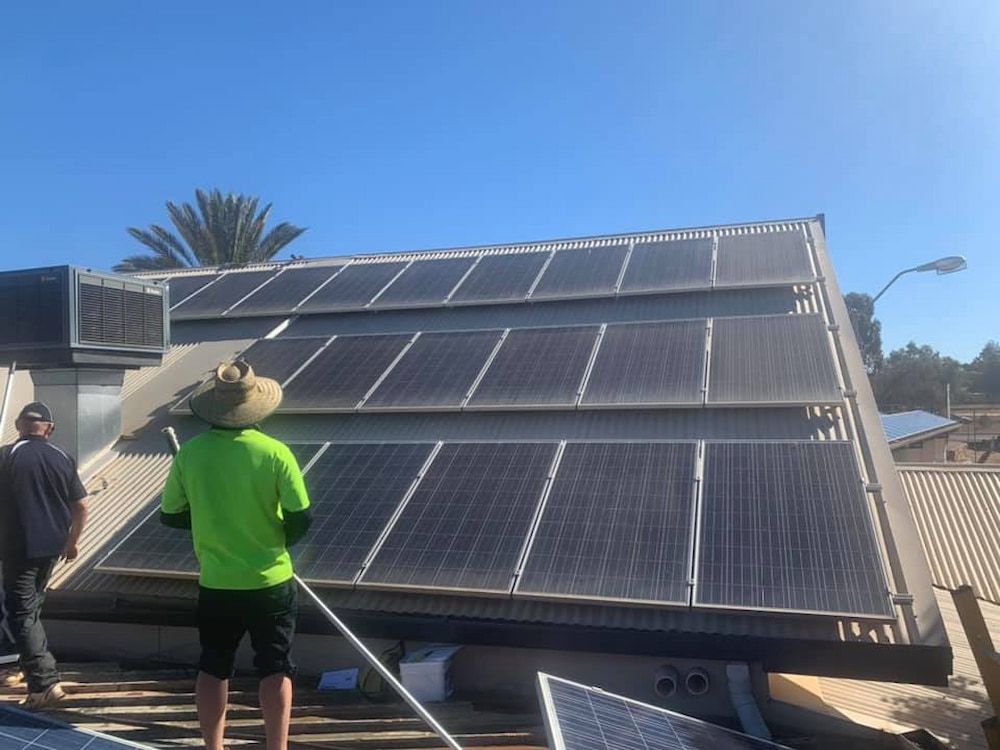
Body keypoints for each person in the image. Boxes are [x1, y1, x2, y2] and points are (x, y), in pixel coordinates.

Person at [160, 361, 312, 750]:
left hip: (217, 582)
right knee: (275, 668)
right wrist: (275, 540)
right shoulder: (275, 453)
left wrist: (208, 523)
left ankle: (214, 745)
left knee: (213, 666)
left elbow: (170, 515)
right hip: (270, 580)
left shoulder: (190, 454)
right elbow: (301, 517)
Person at [0, 402, 89, 709]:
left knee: (20, 612)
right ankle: (27, 667)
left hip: (19, 547)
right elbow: (82, 506)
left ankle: (44, 683)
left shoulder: (7, 455)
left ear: (18, 425)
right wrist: (72, 542)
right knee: (32, 609)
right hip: (53, 547)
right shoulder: (62, 457)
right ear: (49, 429)